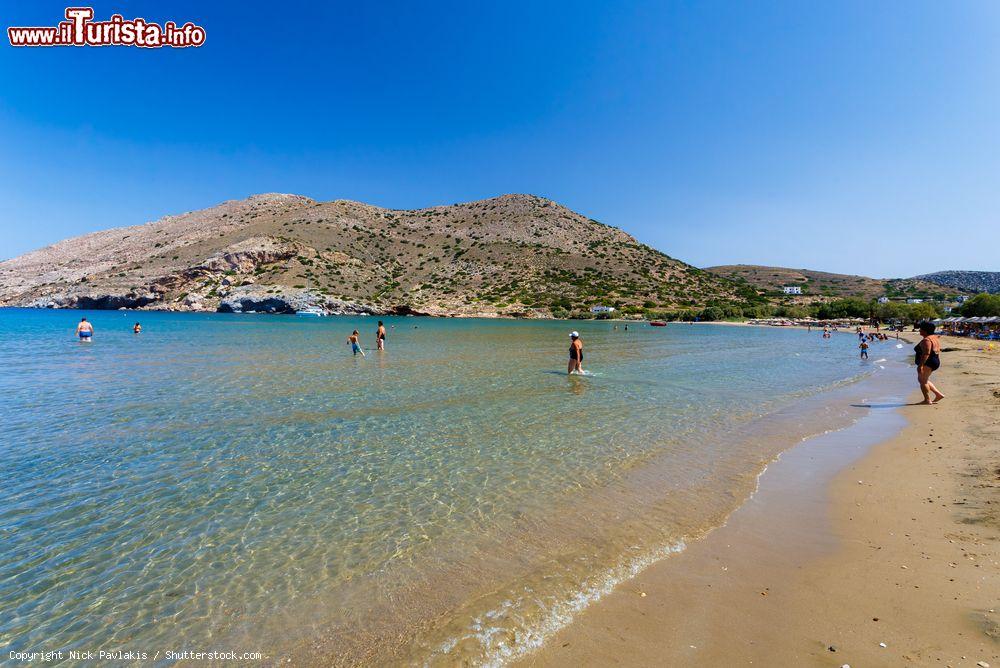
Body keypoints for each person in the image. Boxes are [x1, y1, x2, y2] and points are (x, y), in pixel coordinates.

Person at [914, 322, 945, 404]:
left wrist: (920, 365)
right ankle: (938, 395)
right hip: (934, 360)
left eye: (921, 329)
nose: (919, 330)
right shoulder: (934, 337)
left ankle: (927, 400)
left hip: (928, 362)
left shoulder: (926, 340)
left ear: (925, 330)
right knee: (924, 380)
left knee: (922, 381)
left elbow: (926, 353)